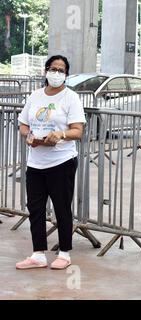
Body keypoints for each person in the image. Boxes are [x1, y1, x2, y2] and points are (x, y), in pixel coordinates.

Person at [16, 55, 86, 270]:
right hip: (36, 163)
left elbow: (78, 130)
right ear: (46, 71)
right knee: (35, 208)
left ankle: (64, 253)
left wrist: (61, 135)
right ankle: (38, 254)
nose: (56, 73)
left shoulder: (70, 98)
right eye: (53, 68)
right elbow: (23, 125)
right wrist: (28, 136)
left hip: (61, 162)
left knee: (61, 208)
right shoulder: (35, 96)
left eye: (61, 70)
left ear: (66, 74)